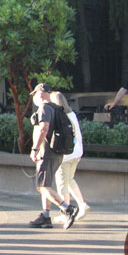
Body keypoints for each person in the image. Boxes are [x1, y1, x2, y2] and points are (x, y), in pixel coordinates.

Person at [28, 84, 78, 230]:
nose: (34, 97)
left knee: (42, 186)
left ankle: (68, 209)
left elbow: (44, 128)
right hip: (56, 153)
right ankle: (45, 216)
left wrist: (35, 149)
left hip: (46, 152)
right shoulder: (56, 108)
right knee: (46, 184)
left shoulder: (44, 108)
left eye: (35, 94)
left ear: (41, 93)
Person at [49, 92, 89, 223]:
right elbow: (78, 134)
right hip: (75, 152)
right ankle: (82, 205)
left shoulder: (56, 116)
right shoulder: (71, 114)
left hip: (63, 155)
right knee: (70, 180)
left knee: (62, 185)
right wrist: (80, 151)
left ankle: (65, 212)